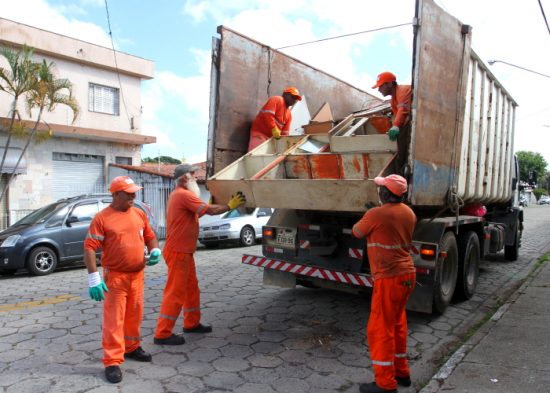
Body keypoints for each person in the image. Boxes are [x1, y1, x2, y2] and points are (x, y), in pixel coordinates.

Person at [153, 163, 246, 345]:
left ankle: (192, 323)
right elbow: (209, 211)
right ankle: (162, 334)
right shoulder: (183, 195)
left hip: (183, 251)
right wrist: (229, 205)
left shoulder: (180, 196)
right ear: (184, 179)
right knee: (175, 293)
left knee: (191, 289)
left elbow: (199, 213)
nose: (196, 178)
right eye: (193, 176)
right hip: (179, 252)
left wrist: (210, 205)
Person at [84, 176, 161, 384]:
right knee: (114, 321)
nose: (133, 196)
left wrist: (155, 250)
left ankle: (132, 347)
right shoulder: (102, 218)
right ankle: (112, 361)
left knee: (134, 315)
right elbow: (90, 248)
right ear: (116, 194)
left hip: (137, 276)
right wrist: (93, 278)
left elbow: (150, 235)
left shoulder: (138, 213)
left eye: (134, 192)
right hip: (115, 278)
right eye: (128, 193)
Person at [352, 174, 417, 393]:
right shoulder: (409, 213)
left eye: (381, 188)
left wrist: (370, 213)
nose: (379, 191)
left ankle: (385, 384)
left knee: (380, 329)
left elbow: (357, 231)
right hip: (407, 276)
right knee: (397, 324)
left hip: (389, 278)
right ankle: (402, 373)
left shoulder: (376, 214)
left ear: (387, 193)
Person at [372, 72, 412, 176]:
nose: (379, 89)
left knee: (401, 156)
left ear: (389, 84)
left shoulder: (403, 91)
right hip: (408, 125)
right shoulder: (393, 99)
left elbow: (403, 110)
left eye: (381, 86)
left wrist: (395, 126)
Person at [247, 86, 302, 151]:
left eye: (296, 99)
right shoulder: (277, 99)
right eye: (293, 97)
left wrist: (285, 142)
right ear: (285, 94)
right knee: (254, 153)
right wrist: (274, 128)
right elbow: (268, 114)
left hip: (271, 138)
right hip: (260, 132)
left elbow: (285, 132)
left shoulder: (289, 115)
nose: (294, 100)